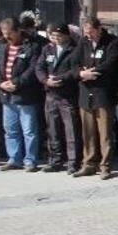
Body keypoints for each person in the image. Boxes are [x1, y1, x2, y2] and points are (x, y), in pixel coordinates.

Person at [72, 17, 118, 179]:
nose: (89, 35)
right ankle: (89, 163)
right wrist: (81, 73)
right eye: (86, 33)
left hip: (103, 93)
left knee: (105, 133)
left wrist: (93, 72)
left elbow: (111, 63)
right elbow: (73, 62)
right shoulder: (83, 42)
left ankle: (105, 165)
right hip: (85, 93)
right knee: (87, 132)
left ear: (99, 29)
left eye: (92, 32)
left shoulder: (112, 42)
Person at [0, 17, 42, 172]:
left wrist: (16, 82)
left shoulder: (32, 46)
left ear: (18, 31)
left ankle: (30, 160)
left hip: (25, 95)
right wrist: (0, 82)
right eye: (4, 33)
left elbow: (32, 69)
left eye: (9, 33)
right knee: (10, 130)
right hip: (6, 95)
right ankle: (14, 158)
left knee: (29, 131)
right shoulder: (2, 45)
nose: (6, 37)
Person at [36, 22, 81, 174]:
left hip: (67, 95)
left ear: (67, 35)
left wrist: (61, 78)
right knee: (53, 130)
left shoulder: (75, 49)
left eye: (59, 36)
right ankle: (55, 160)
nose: (56, 39)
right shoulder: (47, 49)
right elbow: (39, 67)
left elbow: (76, 70)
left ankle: (73, 161)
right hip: (50, 94)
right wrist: (45, 80)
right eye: (53, 36)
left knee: (71, 131)